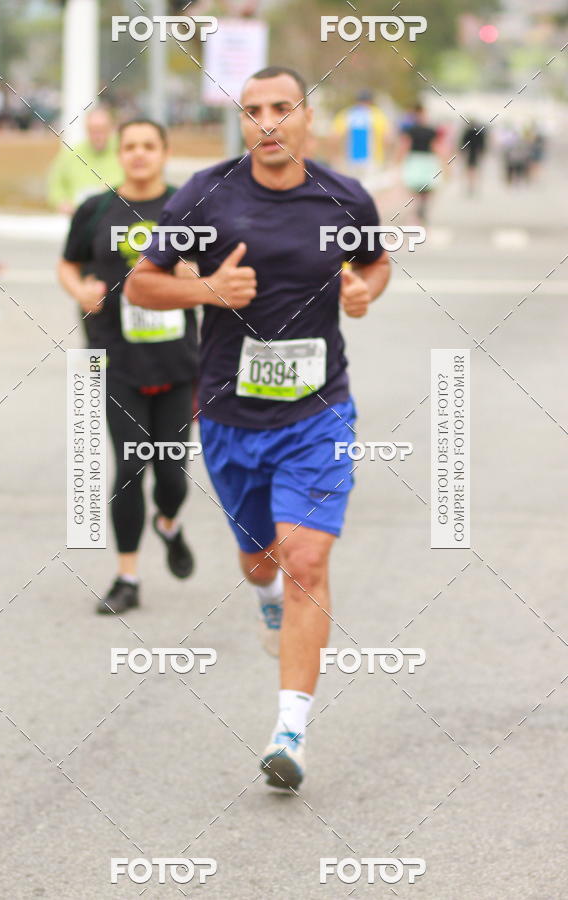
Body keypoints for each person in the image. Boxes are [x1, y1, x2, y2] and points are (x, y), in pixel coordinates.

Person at [125, 67, 391, 789]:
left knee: (306, 560)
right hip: (230, 416)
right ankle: (265, 598)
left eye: (282, 108)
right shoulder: (207, 194)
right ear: (241, 121)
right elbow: (142, 282)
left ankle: (290, 731)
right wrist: (205, 289)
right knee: (261, 564)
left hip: (318, 411)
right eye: (253, 110)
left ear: (308, 116)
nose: (268, 121)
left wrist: (366, 292)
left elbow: (374, 262)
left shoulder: (343, 196)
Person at [58, 119, 198, 615]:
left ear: (164, 151)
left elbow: (216, 273)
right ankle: (127, 577)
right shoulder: (96, 209)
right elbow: (69, 263)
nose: (139, 155)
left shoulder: (188, 208)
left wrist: (191, 275)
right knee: (130, 466)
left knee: (173, 478)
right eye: (130, 147)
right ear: (120, 153)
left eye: (149, 146)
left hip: (179, 363)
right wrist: (80, 292)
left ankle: (169, 524)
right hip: (118, 360)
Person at [48, 106, 124, 214]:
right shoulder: (71, 154)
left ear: (111, 128)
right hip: (80, 217)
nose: (98, 136)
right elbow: (55, 185)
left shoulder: (124, 150)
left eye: (102, 130)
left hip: (117, 216)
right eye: (93, 131)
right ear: (86, 130)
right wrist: (62, 203)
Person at [397, 103, 444, 225]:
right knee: (426, 186)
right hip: (426, 159)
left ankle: (418, 207)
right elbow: (436, 147)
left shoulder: (410, 130)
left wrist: (398, 160)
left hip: (415, 159)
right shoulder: (430, 130)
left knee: (415, 186)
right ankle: (421, 206)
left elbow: (405, 145)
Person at [331, 90, 391, 183]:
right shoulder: (378, 115)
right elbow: (386, 139)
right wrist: (387, 159)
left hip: (350, 160)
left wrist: (336, 157)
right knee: (370, 190)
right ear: (370, 101)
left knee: (353, 189)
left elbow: (334, 137)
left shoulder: (347, 114)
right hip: (373, 160)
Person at [459, 120, 487, 194]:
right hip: (475, 153)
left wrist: (462, 153)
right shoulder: (479, 133)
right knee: (474, 170)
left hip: (470, 153)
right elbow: (482, 145)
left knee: (470, 170)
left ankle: (471, 185)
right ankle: (473, 185)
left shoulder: (467, 132)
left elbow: (463, 144)